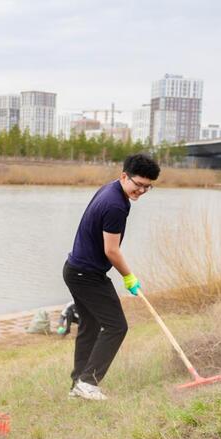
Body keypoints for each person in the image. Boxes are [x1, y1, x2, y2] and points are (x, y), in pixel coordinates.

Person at [63, 153, 160, 401]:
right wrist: (129, 277)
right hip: (87, 274)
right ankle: (87, 382)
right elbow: (111, 250)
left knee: (90, 325)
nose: (141, 190)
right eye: (138, 184)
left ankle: (78, 384)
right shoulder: (116, 205)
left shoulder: (113, 190)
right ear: (124, 176)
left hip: (76, 270)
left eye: (148, 186)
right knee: (117, 326)